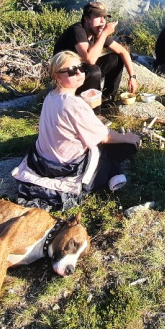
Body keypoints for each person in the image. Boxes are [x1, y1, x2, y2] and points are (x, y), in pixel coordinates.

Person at [15, 51, 141, 210]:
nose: (79, 73)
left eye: (81, 68)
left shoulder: (51, 96)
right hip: (69, 166)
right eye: (72, 71)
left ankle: (112, 172)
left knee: (108, 145)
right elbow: (104, 136)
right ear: (57, 76)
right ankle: (107, 177)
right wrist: (128, 137)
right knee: (126, 146)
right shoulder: (72, 103)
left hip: (45, 160)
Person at [54, 1, 138, 101]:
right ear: (86, 19)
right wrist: (104, 34)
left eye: (105, 17)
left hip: (80, 73)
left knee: (116, 58)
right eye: (98, 17)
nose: (103, 22)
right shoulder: (77, 30)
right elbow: (90, 60)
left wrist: (132, 77)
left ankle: (108, 99)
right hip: (66, 79)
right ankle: (94, 108)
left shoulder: (96, 31)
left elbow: (123, 52)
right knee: (94, 70)